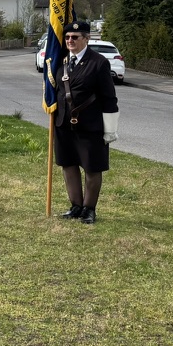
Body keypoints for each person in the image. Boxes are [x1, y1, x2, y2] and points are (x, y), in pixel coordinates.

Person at [54, 20, 119, 224]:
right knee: (68, 164)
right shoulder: (61, 61)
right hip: (64, 124)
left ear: (86, 39)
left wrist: (110, 129)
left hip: (90, 125)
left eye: (75, 37)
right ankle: (75, 206)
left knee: (92, 168)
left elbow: (109, 97)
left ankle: (89, 209)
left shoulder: (98, 62)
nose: (70, 40)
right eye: (67, 38)